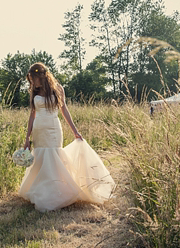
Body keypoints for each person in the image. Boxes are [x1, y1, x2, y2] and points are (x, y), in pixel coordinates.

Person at [18, 62, 115, 212]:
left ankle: (57, 193)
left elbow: (64, 111)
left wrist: (75, 130)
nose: (32, 82)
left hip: (53, 129)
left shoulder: (58, 89)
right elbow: (32, 115)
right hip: (39, 130)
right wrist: (27, 138)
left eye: (33, 78)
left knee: (54, 158)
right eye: (30, 79)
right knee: (41, 158)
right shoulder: (34, 92)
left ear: (41, 75)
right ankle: (41, 191)